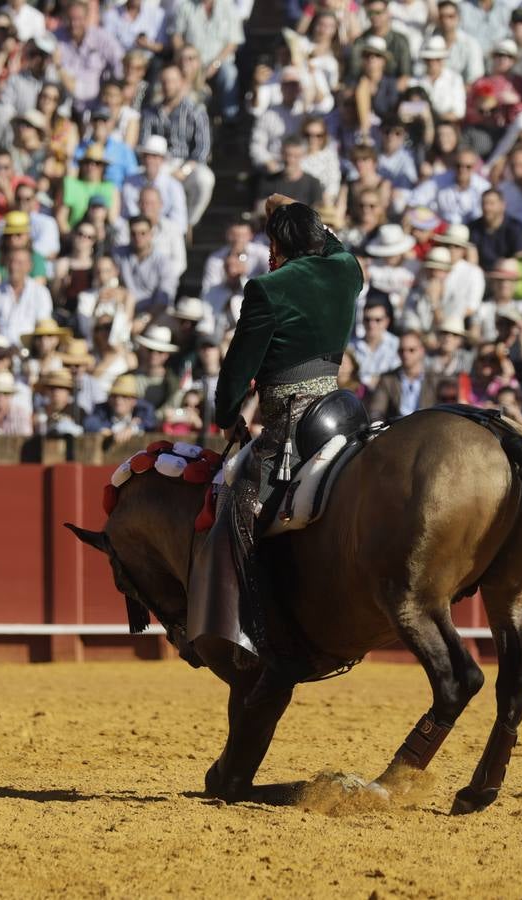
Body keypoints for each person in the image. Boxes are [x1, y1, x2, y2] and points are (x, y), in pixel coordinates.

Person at [205, 195, 363, 697]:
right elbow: (332, 243)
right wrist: (297, 210)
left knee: (235, 499)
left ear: (276, 245)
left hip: (291, 427)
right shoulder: (347, 270)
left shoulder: (267, 288)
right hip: (342, 414)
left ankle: (254, 630)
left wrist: (227, 416)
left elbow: (238, 368)